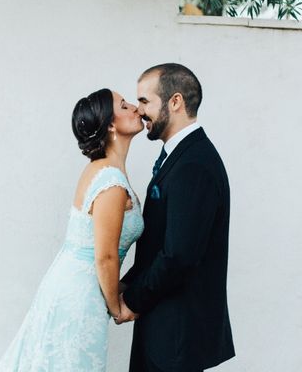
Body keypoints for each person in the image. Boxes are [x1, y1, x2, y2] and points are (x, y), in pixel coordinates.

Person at [0, 88, 145, 371]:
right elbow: (105, 256)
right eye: (124, 105)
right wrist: (116, 308)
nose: (136, 108)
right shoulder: (111, 181)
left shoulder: (101, 169)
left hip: (70, 283)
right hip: (80, 294)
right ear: (110, 123)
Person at [116, 64, 235, 372]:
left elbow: (179, 255)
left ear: (175, 102)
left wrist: (133, 302)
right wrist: (125, 286)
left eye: (145, 101)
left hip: (177, 337)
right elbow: (159, 243)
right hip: (164, 330)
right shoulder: (180, 156)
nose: (140, 111)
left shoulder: (194, 164)